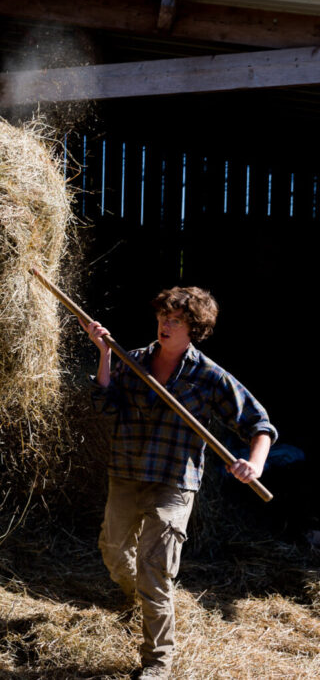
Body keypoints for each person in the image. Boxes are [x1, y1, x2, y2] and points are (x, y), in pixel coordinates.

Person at [85, 286, 277, 680]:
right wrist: (104, 353)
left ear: (195, 329)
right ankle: (135, 596)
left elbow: (260, 424)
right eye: (162, 317)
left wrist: (253, 465)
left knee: (155, 569)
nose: (165, 325)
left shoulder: (208, 376)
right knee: (112, 549)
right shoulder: (132, 359)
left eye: (176, 320)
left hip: (173, 481)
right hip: (125, 472)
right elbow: (104, 403)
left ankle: (157, 662)